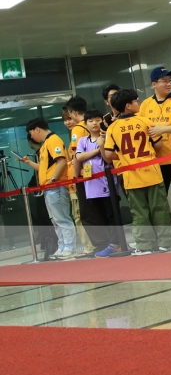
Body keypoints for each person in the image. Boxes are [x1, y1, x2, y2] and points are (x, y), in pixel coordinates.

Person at [104, 89, 171, 255]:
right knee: (160, 209)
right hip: (152, 173)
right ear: (128, 106)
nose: (139, 103)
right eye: (136, 101)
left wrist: (123, 155)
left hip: (131, 177)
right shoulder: (145, 121)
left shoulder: (112, 128)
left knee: (139, 213)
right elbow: (158, 145)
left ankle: (144, 245)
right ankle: (164, 243)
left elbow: (108, 155)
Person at [140, 67, 171, 244]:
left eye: (170, 80)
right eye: (164, 81)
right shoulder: (146, 105)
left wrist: (162, 130)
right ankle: (160, 236)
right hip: (156, 161)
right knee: (158, 202)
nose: (169, 84)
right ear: (154, 84)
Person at [19, 119, 76, 259]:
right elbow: (44, 168)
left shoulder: (53, 140)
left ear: (37, 129)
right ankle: (62, 246)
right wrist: (29, 162)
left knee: (62, 218)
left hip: (56, 186)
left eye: (31, 133)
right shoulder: (45, 144)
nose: (32, 136)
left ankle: (69, 247)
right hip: (48, 188)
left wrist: (54, 179)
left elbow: (61, 161)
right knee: (56, 220)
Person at [74, 110, 120, 257]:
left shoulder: (107, 137)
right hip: (91, 185)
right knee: (99, 216)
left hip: (107, 183)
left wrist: (101, 146)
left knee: (112, 214)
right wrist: (97, 151)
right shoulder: (83, 141)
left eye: (98, 120)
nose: (95, 123)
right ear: (85, 124)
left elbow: (108, 159)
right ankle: (107, 244)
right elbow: (79, 157)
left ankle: (116, 244)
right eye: (91, 121)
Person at [64, 96, 94, 256]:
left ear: (74, 113)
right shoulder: (91, 125)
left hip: (81, 177)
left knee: (80, 215)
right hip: (92, 174)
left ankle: (90, 246)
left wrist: (75, 177)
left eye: (69, 115)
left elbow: (77, 156)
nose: (69, 120)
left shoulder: (78, 129)